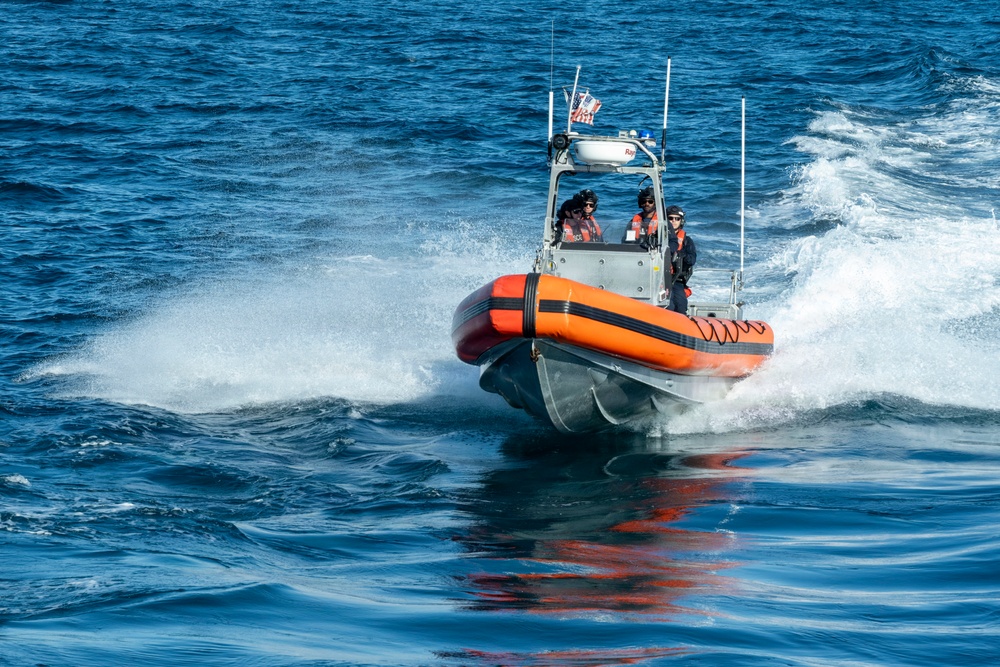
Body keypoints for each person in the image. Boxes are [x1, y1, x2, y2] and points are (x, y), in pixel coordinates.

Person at [665, 205, 696, 314]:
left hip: (676, 279)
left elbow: (692, 260)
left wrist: (681, 255)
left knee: (681, 305)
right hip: (659, 278)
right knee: (668, 305)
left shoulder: (687, 241)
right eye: (670, 218)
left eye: (677, 219)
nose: (673, 221)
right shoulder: (658, 237)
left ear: (681, 221)